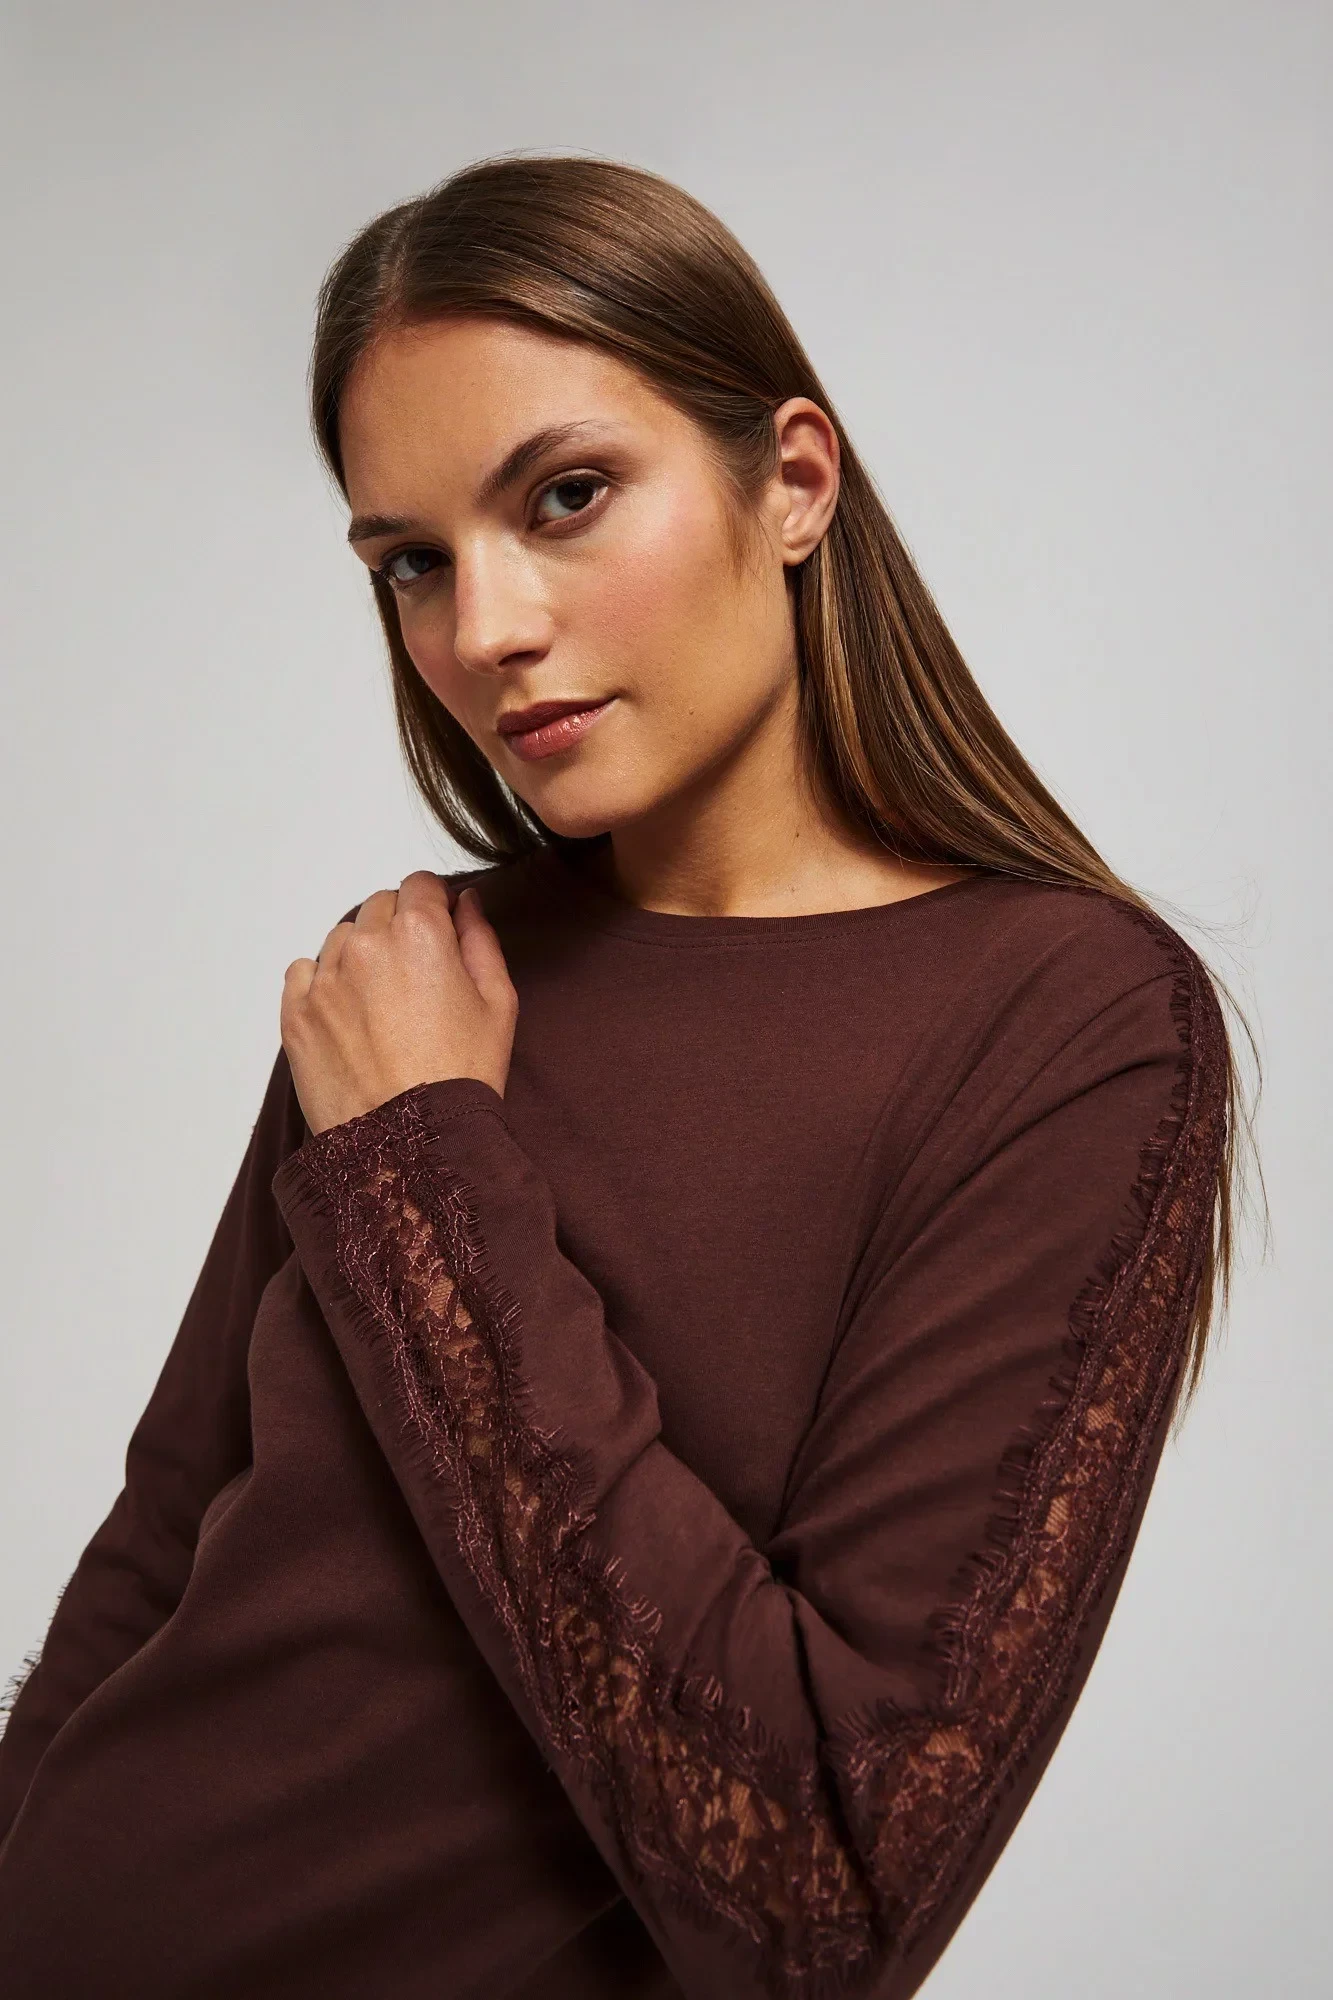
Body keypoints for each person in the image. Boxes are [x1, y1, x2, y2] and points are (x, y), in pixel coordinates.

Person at [0, 155, 1250, 1999]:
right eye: (412, 562)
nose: (482, 629)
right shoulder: (414, 970)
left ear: (793, 482)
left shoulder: (1068, 1020)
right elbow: (161, 1544)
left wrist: (429, 1165)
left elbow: (818, 1899)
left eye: (565, 497)